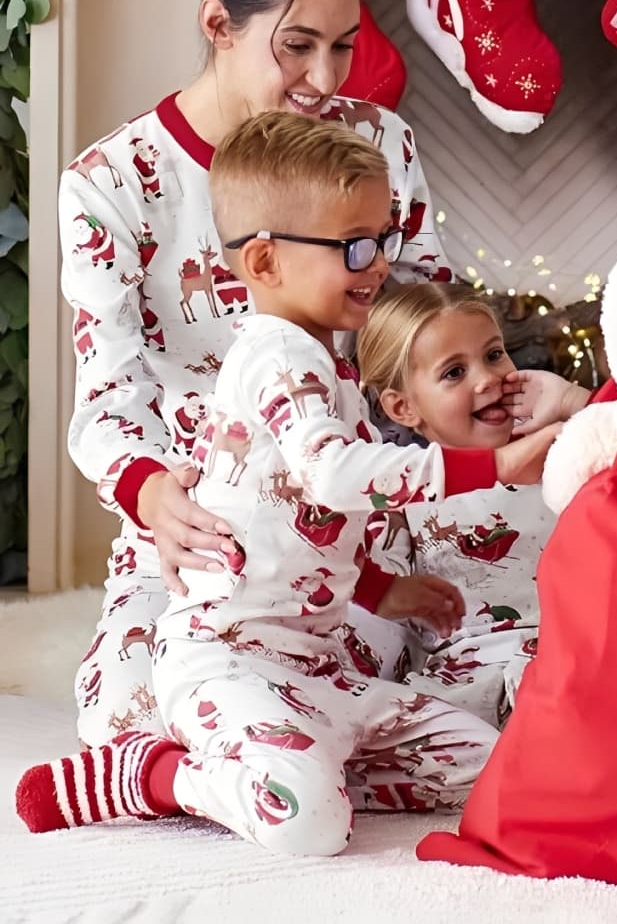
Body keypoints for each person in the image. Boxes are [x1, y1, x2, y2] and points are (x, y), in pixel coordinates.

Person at [17, 112, 560, 854]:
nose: (377, 266)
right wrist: (492, 466)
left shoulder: (326, 363)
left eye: (382, 240)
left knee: (490, 763)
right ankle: (153, 778)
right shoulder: (276, 357)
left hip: (316, 668)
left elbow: (297, 526)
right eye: (355, 247)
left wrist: (377, 594)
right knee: (309, 825)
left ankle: (294, 763)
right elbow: (331, 476)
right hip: (227, 657)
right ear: (266, 263)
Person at [61, 0, 455, 747]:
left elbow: (422, 317)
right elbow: (108, 397)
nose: (326, 79)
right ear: (218, 24)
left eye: (345, 44)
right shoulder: (113, 184)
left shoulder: (378, 141)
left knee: (408, 657)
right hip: (202, 521)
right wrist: (154, 494)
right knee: (124, 717)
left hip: (344, 508)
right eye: (297, 46)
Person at [357, 283, 591, 724]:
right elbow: (359, 593)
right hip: (471, 691)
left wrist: (576, 402)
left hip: (582, 659)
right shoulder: (400, 505)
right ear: (404, 407)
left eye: (494, 354)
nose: (487, 379)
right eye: (453, 372)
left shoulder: (565, 450)